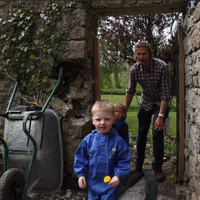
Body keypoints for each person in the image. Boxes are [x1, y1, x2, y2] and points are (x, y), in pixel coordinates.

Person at [125, 41, 171, 183]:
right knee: (141, 133)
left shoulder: (162, 67)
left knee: (157, 132)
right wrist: (124, 111)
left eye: (144, 53)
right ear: (135, 54)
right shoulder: (134, 70)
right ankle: (138, 164)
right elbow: (130, 91)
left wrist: (161, 116)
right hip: (146, 102)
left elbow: (166, 95)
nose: (141, 56)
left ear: (150, 54)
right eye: (138, 53)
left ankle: (157, 167)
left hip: (160, 103)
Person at [73, 100, 131, 200]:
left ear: (113, 120)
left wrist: (118, 176)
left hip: (111, 184)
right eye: (98, 119)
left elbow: (124, 161)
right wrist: (81, 175)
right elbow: (80, 158)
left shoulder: (118, 142)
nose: (103, 122)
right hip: (93, 182)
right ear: (93, 120)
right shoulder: (88, 140)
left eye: (107, 119)